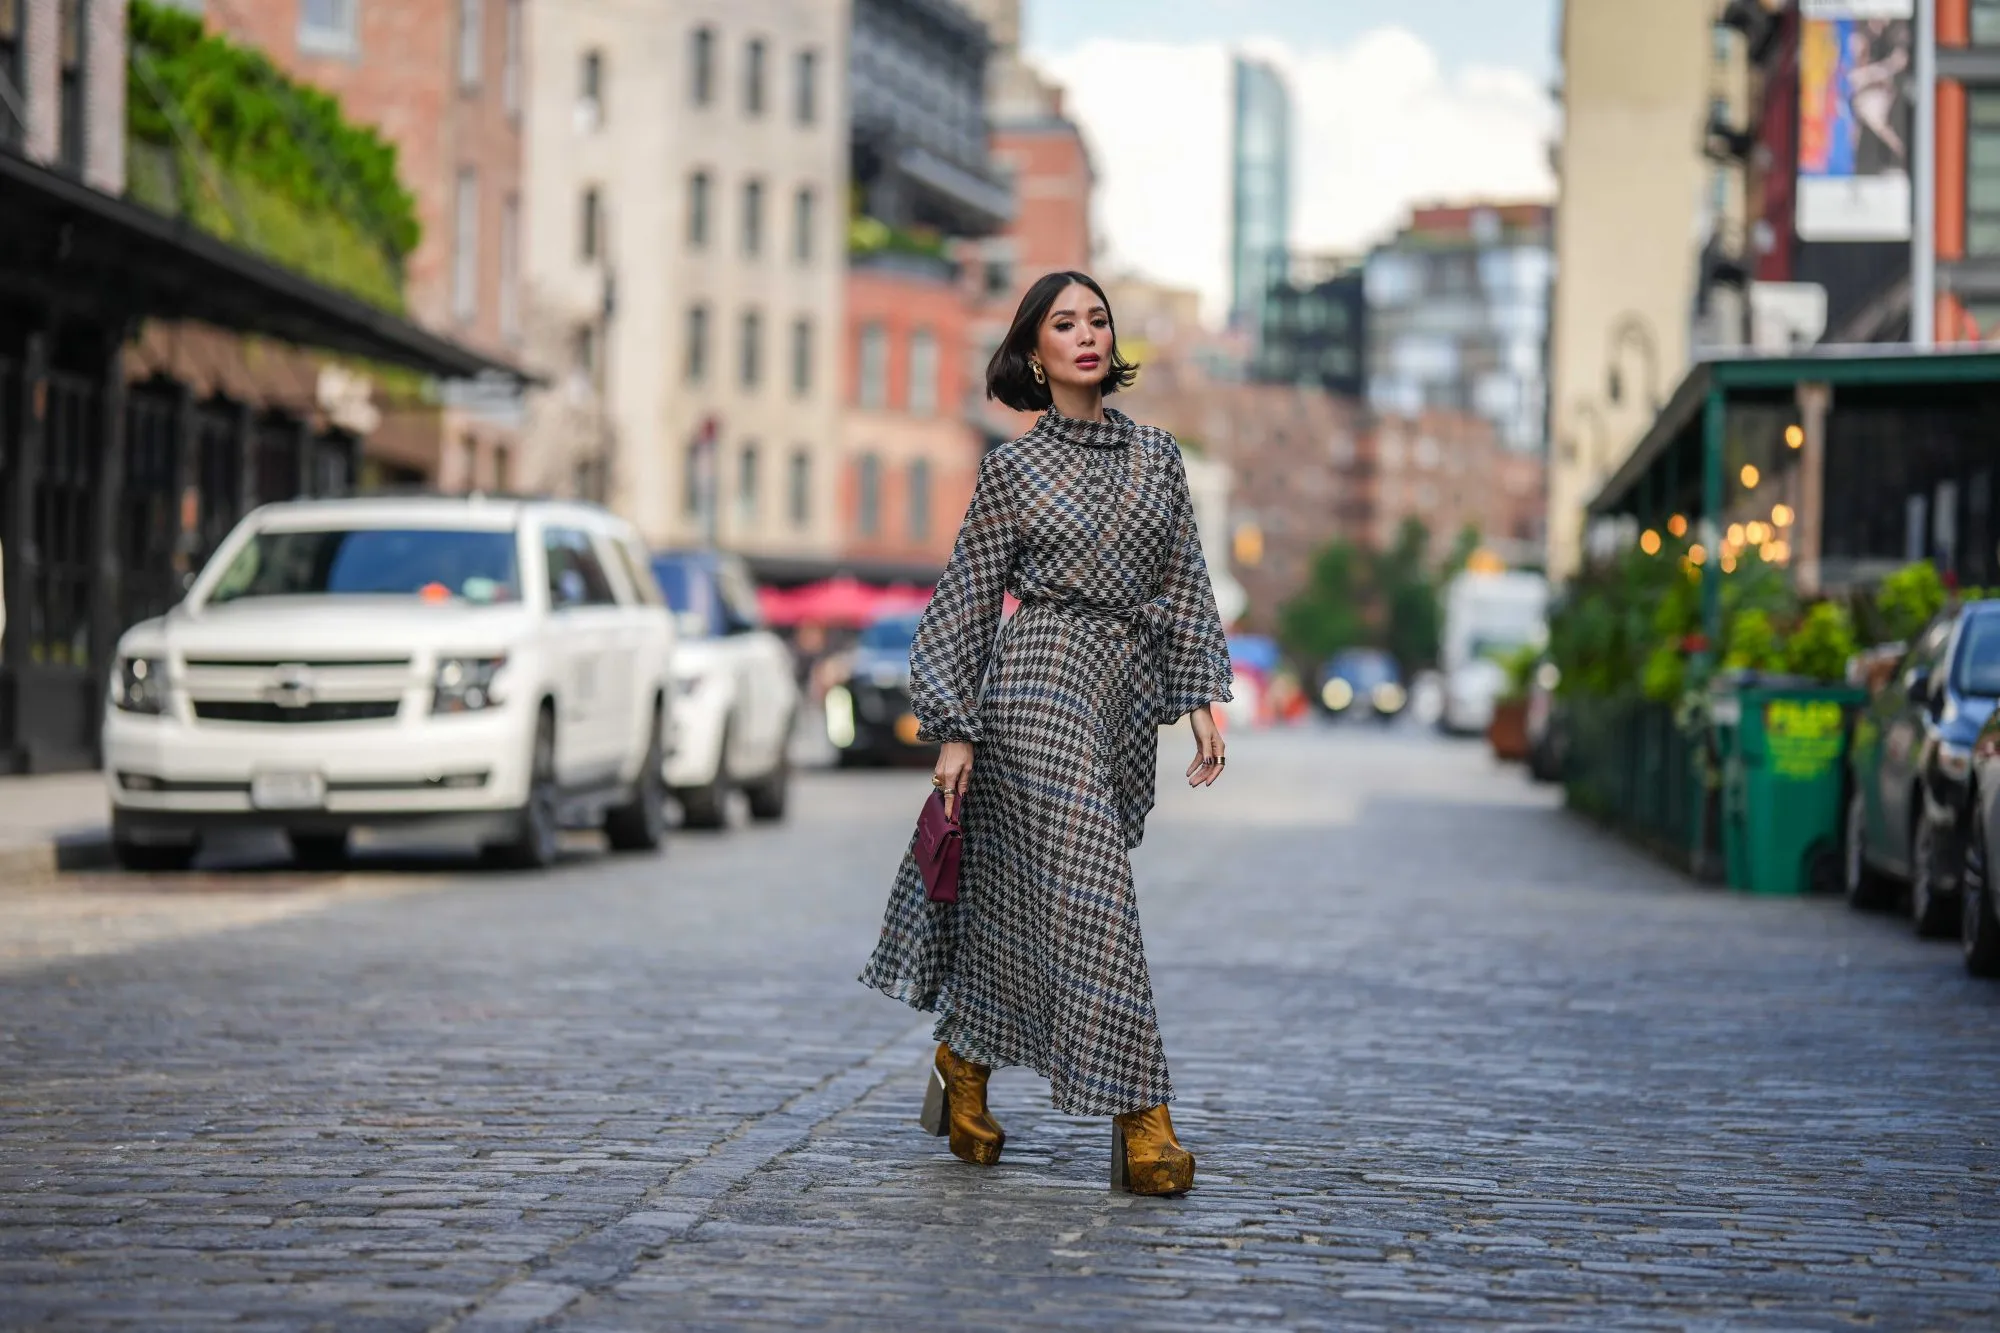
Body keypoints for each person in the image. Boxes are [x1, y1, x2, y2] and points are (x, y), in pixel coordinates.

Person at [859, 271, 1233, 1196]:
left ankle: (962, 1065)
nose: (1087, 334)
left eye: (1098, 319)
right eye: (1064, 323)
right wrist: (952, 725)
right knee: (1096, 894)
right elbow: (965, 598)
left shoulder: (1159, 459)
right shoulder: (1011, 469)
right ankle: (1143, 1122)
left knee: (1030, 896)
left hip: (1116, 697)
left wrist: (1200, 695)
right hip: (1033, 685)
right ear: (1035, 350)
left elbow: (1183, 577)